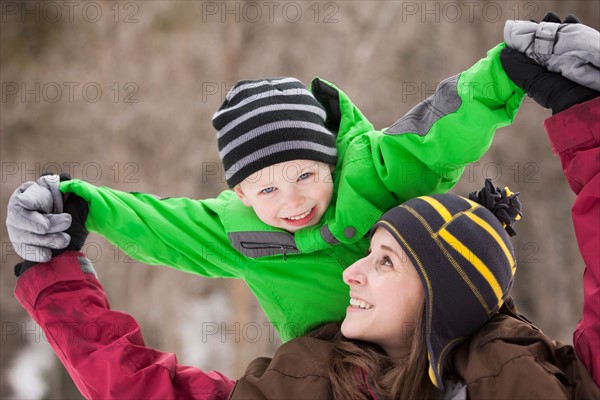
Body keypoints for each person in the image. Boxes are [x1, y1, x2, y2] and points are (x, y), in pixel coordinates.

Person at [7, 40, 526, 343]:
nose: (293, 202)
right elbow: (158, 224)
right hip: (342, 373)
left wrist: (508, 70)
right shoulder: (243, 233)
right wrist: (78, 202)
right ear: (242, 192)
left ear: (330, 162)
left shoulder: (378, 173)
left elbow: (441, 128)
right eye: (268, 188)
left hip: (443, 342)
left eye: (307, 176)